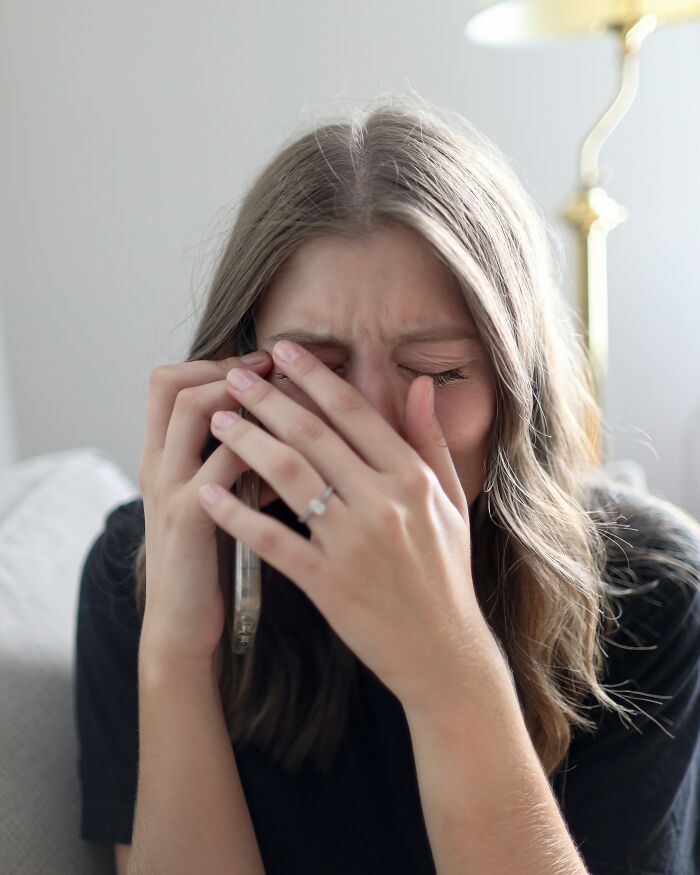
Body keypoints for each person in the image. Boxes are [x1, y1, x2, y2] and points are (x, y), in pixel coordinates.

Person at [75, 94, 700, 875]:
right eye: (319, 371)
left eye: (437, 371)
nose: (367, 426)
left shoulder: (649, 589)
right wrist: (174, 648)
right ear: (239, 370)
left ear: (515, 387)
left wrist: (449, 667)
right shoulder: (139, 565)